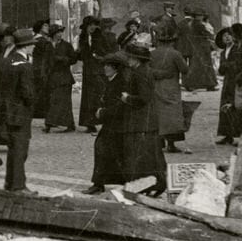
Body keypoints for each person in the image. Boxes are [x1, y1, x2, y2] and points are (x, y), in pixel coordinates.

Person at [86, 45, 167, 196]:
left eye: (130, 57)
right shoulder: (142, 71)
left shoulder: (139, 74)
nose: (128, 60)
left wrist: (126, 98)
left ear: (136, 59)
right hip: (142, 122)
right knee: (146, 156)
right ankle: (153, 184)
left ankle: (148, 185)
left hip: (137, 122)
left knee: (138, 157)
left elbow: (143, 98)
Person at [0, 29, 38, 192]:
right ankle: (18, 185)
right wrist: (33, 102)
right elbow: (27, 92)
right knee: (20, 150)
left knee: (13, 148)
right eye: (32, 45)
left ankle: (10, 183)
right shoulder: (25, 66)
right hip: (21, 113)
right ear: (26, 47)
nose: (33, 48)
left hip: (6, 111)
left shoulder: (5, 62)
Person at [147, 22, 190, 153]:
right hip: (171, 87)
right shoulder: (175, 54)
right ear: (172, 41)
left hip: (156, 86)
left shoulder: (152, 54)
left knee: (158, 114)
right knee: (172, 116)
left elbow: (147, 71)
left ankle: (158, 143)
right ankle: (171, 144)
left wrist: (158, 73)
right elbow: (185, 69)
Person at [41, 22, 77, 132]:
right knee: (54, 100)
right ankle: (68, 124)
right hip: (52, 77)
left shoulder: (66, 45)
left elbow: (73, 59)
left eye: (61, 32)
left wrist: (63, 59)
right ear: (53, 34)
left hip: (64, 77)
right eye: (58, 32)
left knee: (62, 101)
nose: (60, 34)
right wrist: (44, 73)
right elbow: (45, 61)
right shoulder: (47, 46)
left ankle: (50, 123)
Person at [76, 16, 107, 133]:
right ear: (86, 27)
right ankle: (89, 123)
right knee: (88, 97)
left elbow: (106, 51)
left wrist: (100, 57)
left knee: (99, 95)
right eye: (90, 25)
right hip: (88, 71)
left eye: (94, 25)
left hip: (98, 69)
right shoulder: (82, 38)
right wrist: (79, 53)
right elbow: (81, 54)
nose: (93, 27)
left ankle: (102, 120)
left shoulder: (100, 37)